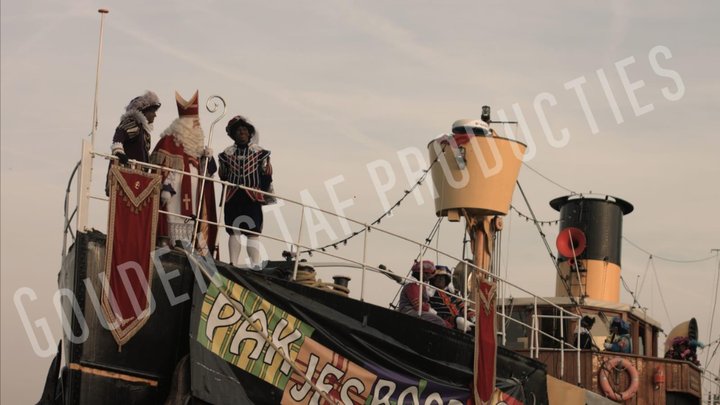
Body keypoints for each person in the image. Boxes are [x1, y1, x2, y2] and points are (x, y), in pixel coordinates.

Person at [150, 90, 217, 255]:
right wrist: (166, 188)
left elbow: (208, 175)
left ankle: (189, 246)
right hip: (174, 196)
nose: (198, 126)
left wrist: (208, 158)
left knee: (191, 221)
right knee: (173, 217)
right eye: (195, 122)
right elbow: (164, 170)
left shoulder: (196, 149)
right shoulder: (168, 141)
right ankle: (170, 244)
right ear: (185, 125)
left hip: (193, 199)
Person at [218, 115, 274, 268]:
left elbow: (266, 175)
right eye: (238, 130)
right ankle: (233, 263)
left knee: (252, 231)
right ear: (233, 134)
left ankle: (255, 264)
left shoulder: (261, 153)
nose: (241, 133)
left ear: (250, 133)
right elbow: (223, 174)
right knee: (233, 230)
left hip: (252, 197)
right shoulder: (226, 154)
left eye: (244, 130)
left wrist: (262, 193)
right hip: (233, 197)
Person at [111, 90, 161, 165]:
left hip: (138, 173)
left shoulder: (144, 132)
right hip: (125, 171)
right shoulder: (133, 123)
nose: (155, 115)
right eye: (152, 112)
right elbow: (120, 133)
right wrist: (118, 151)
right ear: (144, 112)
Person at [397, 260, 447, 327]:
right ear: (422, 273)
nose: (429, 277)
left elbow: (429, 295)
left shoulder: (420, 285)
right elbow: (418, 304)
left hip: (416, 311)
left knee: (442, 321)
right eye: (427, 274)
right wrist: (435, 313)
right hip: (408, 311)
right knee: (438, 321)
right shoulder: (412, 285)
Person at [428, 265, 475, 331]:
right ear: (433, 279)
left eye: (443, 278)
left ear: (446, 280)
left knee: (472, 320)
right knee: (460, 320)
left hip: (458, 319)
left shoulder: (452, 294)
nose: (440, 280)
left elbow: (462, 307)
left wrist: (471, 315)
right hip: (443, 318)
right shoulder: (430, 293)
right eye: (438, 277)